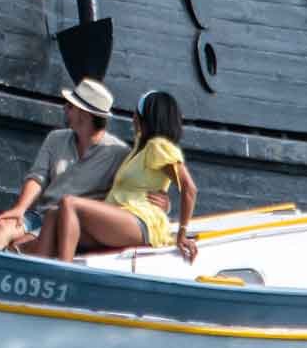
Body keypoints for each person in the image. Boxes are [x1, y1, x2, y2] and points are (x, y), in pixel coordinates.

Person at [35, 89, 198, 263]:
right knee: (53, 214)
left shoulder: (158, 147)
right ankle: (38, 271)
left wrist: (182, 232)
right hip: (120, 217)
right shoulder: (138, 149)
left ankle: (63, 271)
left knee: (69, 202)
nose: (133, 116)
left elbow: (189, 189)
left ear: (145, 118)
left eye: (136, 112)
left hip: (141, 222)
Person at [0, 78, 133, 251]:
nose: (64, 108)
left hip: (71, 225)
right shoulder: (56, 138)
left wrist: (161, 202)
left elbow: (131, 194)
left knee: (23, 246)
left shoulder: (119, 154)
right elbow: (37, 177)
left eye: (69, 106)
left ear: (83, 114)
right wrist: (20, 209)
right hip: (40, 215)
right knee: (3, 225)